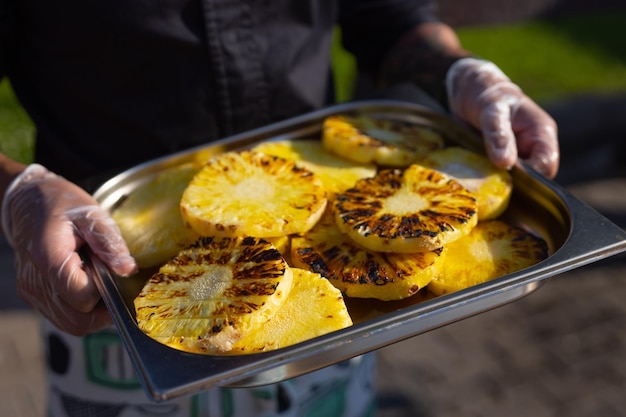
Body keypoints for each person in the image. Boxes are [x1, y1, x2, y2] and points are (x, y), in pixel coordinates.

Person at [0, 1, 559, 416]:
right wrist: (16, 193)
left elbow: (392, 20)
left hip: (322, 285)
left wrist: (458, 72)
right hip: (108, 278)